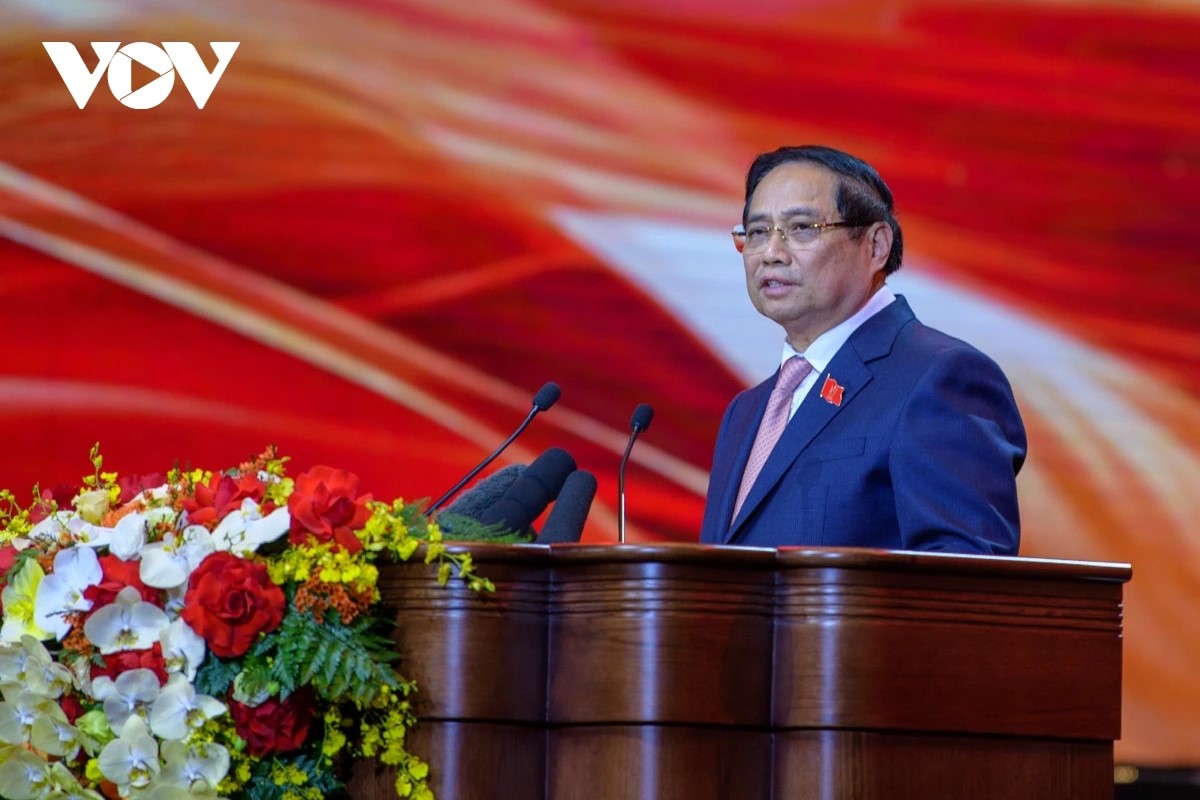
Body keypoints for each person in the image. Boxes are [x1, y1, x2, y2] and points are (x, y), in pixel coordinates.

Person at [699, 145, 1026, 554]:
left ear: (876, 246)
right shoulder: (745, 412)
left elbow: (965, 578)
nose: (772, 254)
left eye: (801, 228)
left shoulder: (941, 379)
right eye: (758, 232)